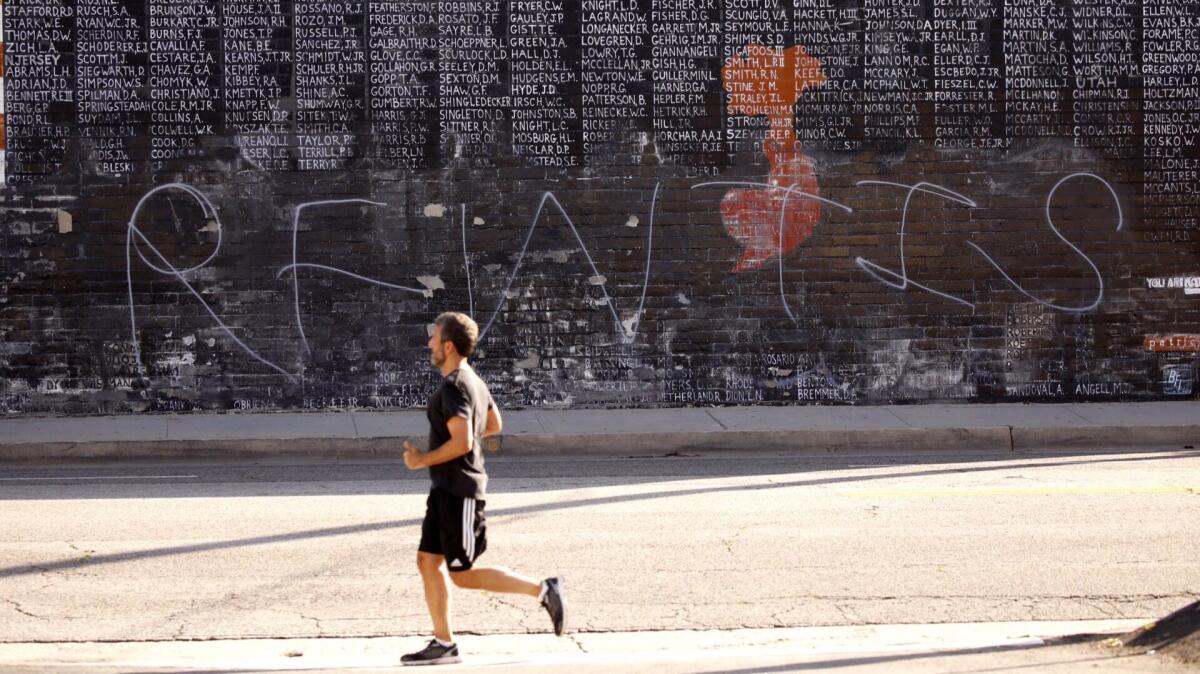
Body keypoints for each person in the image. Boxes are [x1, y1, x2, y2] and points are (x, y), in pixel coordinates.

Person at [401, 312, 566, 666]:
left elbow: (462, 443)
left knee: (462, 574)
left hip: (460, 491)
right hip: (445, 489)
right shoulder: (471, 379)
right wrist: (461, 441)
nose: (428, 344)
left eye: (433, 338)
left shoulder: (455, 385)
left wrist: (423, 459)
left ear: (447, 345)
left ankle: (543, 590)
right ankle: (443, 643)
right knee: (428, 561)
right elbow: (493, 423)